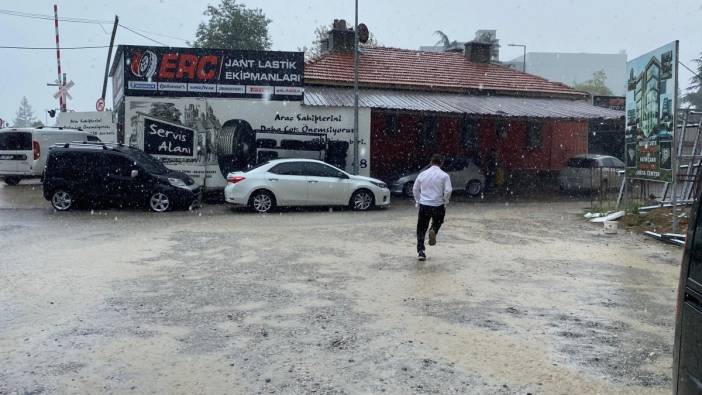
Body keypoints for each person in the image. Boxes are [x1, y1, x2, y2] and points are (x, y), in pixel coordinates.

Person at [413, 154, 453, 261]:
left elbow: (415, 188)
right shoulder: (444, 176)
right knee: (438, 221)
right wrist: (445, 201)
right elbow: (448, 190)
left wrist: (418, 200)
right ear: (441, 163)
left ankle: (421, 251)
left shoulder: (422, 174)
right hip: (438, 205)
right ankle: (434, 230)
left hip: (424, 205)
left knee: (421, 228)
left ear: (431, 162)